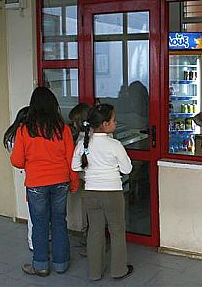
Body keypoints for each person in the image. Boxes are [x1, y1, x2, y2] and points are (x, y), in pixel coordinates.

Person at [10, 87, 79, 277]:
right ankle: (61, 263)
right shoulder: (63, 129)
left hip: (36, 184)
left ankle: (40, 265)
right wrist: (74, 183)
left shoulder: (25, 130)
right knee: (59, 221)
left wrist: (33, 164)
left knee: (40, 224)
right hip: (61, 181)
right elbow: (70, 159)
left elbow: (16, 160)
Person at [71, 103, 133, 281]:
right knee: (117, 231)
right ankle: (119, 270)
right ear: (105, 124)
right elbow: (127, 169)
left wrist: (91, 173)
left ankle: (94, 272)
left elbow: (75, 166)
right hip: (112, 193)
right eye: (114, 119)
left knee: (95, 232)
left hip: (91, 192)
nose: (116, 122)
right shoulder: (114, 144)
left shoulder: (84, 143)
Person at [3, 106, 34, 251]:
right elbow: (18, 159)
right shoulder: (19, 135)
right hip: (30, 175)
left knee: (35, 211)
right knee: (34, 211)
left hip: (32, 174)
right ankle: (33, 241)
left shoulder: (15, 133)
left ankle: (36, 240)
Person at [68, 102, 91, 255]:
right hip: (102, 185)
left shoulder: (82, 141)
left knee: (92, 215)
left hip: (89, 183)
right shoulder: (102, 136)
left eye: (74, 122)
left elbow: (76, 166)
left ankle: (92, 244)